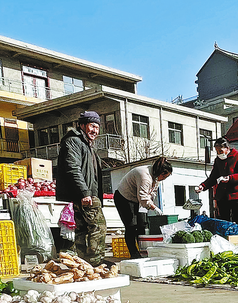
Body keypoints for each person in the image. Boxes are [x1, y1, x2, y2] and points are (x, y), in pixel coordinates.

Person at [56, 111, 107, 266]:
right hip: (86, 194)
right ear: (82, 125)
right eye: (92, 126)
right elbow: (73, 168)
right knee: (98, 227)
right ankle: (95, 262)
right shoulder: (74, 141)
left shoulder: (86, 144)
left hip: (87, 193)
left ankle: (82, 263)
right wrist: (84, 192)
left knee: (83, 230)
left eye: (97, 127)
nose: (95, 131)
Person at [114, 157, 173, 259]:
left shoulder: (156, 178)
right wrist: (154, 207)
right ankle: (134, 254)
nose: (164, 179)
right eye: (164, 176)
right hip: (124, 198)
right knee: (131, 226)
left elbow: (151, 193)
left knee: (142, 225)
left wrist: (151, 202)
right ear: (160, 172)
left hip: (138, 199)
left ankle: (143, 251)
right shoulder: (144, 176)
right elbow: (143, 197)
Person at [195, 137, 238, 227]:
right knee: (223, 223)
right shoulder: (218, 160)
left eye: (220, 151)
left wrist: (229, 178)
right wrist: (203, 186)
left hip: (237, 194)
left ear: (227, 148)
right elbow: (213, 177)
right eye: (217, 152)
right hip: (222, 195)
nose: (219, 154)